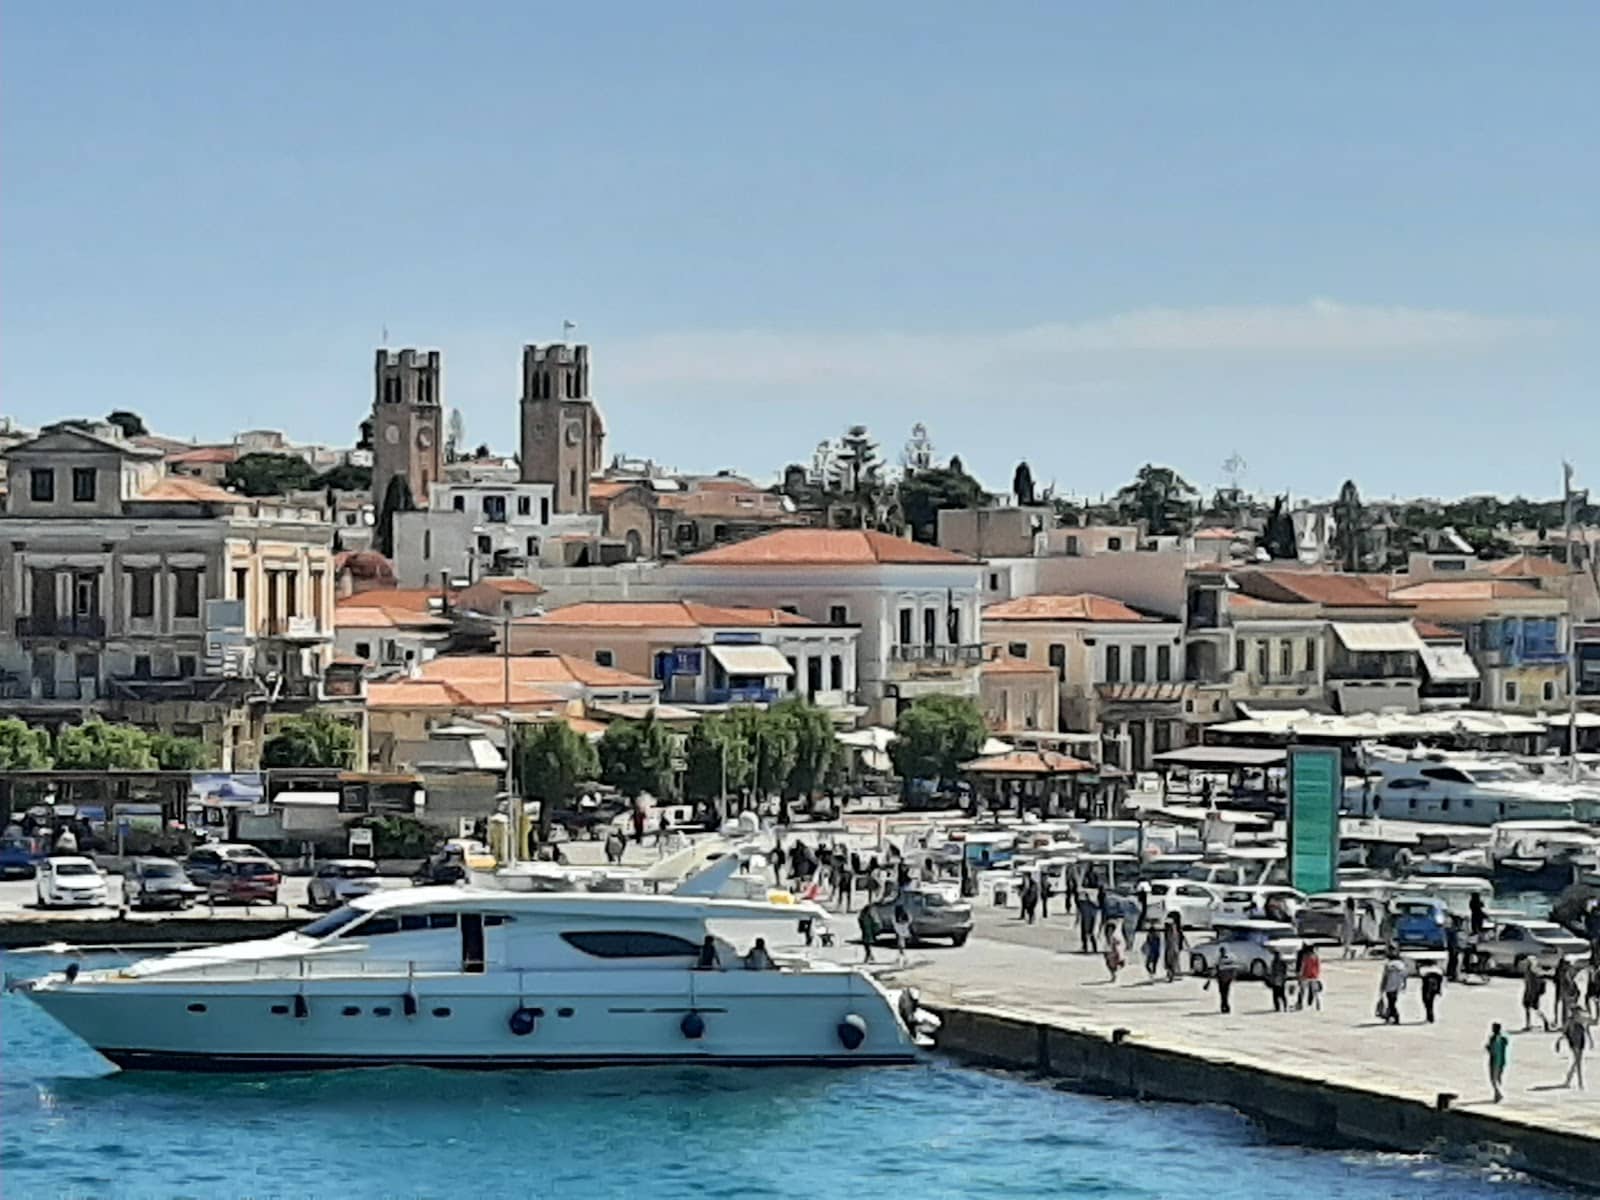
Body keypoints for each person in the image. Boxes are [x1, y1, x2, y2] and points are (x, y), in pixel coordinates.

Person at [1558, 1013, 1591, 1090]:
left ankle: (1569, 1079)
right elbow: (1564, 1032)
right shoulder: (1570, 1021)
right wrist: (1559, 1041)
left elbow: (1587, 1030)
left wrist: (1591, 1040)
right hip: (1574, 1043)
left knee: (1577, 1062)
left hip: (1580, 1043)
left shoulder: (1581, 1021)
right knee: (1578, 1063)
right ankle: (1580, 1083)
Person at [1379, 952, 1407, 1025]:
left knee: (1391, 1003)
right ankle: (1389, 1017)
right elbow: (1404, 976)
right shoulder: (1402, 965)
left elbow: (1385, 977)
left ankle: (1395, 1017)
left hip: (1389, 986)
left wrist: (1382, 987)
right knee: (1392, 1002)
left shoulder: (1388, 965)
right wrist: (1404, 986)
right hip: (1398, 986)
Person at [1522, 961, 1551, 1032]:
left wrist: (1533, 995)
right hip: (1528, 993)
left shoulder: (1533, 975)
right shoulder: (1528, 974)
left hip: (1532, 994)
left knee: (1536, 1009)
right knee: (1527, 1008)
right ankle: (1528, 1024)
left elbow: (1534, 986)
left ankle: (1545, 1021)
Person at [1486, 1022, 1509, 1103]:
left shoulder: (1493, 1038)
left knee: (1493, 1079)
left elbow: (1492, 1050)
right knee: (1498, 1078)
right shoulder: (1504, 1038)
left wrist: (1488, 1048)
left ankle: (1499, 1094)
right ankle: (1496, 1095)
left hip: (1494, 1060)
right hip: (1502, 1060)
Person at [1212, 947, 1236, 1014]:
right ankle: (1225, 1006)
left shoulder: (1220, 959)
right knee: (1224, 993)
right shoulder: (1227, 958)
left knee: (1223, 993)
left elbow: (1216, 969)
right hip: (1224, 979)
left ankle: (1224, 1006)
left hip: (1223, 979)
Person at [1299, 944, 1323, 1011]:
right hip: (1314, 976)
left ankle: (1301, 1005)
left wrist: (1300, 975)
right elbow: (1318, 967)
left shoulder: (1305, 957)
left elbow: (1303, 966)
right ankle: (1318, 1006)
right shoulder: (1316, 957)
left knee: (1303, 991)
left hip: (1306, 975)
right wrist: (1318, 975)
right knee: (1316, 992)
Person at [1162, 914, 1186, 982]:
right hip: (1173, 948)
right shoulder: (1174, 930)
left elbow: (1171, 940)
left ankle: (1173, 974)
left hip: (1172, 948)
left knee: (1172, 962)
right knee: (1173, 962)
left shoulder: (1171, 930)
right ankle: (1174, 974)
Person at [1077, 889, 1101, 954]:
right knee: (1086, 933)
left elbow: (1097, 906)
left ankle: (1092, 948)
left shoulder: (1090, 903)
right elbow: (1079, 911)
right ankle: (1087, 947)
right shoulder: (1083, 903)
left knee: (1090, 933)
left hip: (1089, 918)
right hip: (1086, 918)